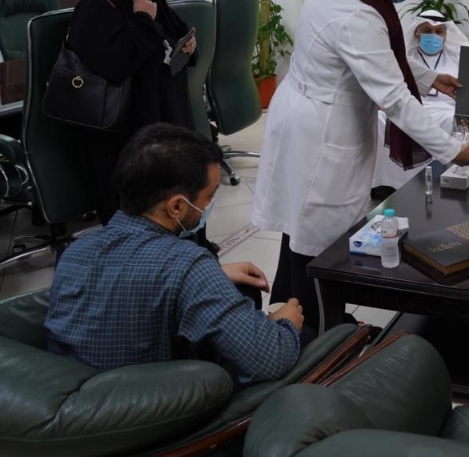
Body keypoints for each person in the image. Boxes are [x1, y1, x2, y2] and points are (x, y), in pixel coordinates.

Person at [251, 0, 469, 330]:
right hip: (321, 130)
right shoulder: (355, 12)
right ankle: (317, 332)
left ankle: (305, 314)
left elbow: (377, 57)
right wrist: (451, 149)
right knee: (316, 234)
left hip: (309, 113)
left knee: (301, 226)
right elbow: (392, 97)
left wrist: (430, 78)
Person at [45, 123, 306, 388]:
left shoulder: (74, 252)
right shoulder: (189, 265)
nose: (209, 205)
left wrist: (214, 276)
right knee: (302, 335)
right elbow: (271, 360)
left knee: (243, 291)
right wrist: (285, 324)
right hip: (156, 405)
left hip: (78, 401)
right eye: (209, 196)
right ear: (177, 206)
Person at [67, 0, 199, 229]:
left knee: (177, 186)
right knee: (144, 201)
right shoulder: (94, 10)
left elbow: (175, 31)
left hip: (165, 113)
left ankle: (186, 242)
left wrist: (189, 46)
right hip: (127, 129)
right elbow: (116, 63)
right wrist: (142, 19)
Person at [372, 8, 469, 195]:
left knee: (454, 120)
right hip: (410, 107)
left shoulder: (458, 58)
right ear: (416, 32)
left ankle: (450, 180)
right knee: (379, 119)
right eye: (427, 30)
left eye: (439, 31)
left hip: (446, 109)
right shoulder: (405, 57)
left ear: (446, 34)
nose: (433, 35)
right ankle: (386, 183)